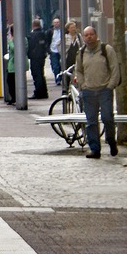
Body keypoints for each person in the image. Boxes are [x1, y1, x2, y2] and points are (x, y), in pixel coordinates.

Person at [72, 25, 120, 159]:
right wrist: (83, 85)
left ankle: (111, 141)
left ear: (96, 35)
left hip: (104, 90)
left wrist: (110, 86)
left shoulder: (106, 50)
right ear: (83, 37)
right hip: (89, 91)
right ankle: (95, 149)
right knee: (91, 122)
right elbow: (79, 70)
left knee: (107, 118)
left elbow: (114, 68)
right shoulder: (81, 53)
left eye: (91, 34)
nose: (89, 37)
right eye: (86, 35)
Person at [25, 18, 50, 99]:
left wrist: (28, 54)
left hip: (35, 57)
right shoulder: (43, 34)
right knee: (41, 74)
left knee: (36, 75)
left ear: (33, 25)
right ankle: (44, 92)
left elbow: (30, 46)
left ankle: (38, 92)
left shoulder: (32, 36)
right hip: (42, 56)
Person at [48, 17, 64, 85]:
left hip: (61, 50)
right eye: (55, 22)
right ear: (53, 23)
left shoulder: (63, 31)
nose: (56, 24)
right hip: (53, 50)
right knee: (55, 65)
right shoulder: (50, 31)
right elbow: (47, 40)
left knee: (61, 65)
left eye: (57, 22)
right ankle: (57, 79)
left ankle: (60, 77)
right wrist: (48, 50)